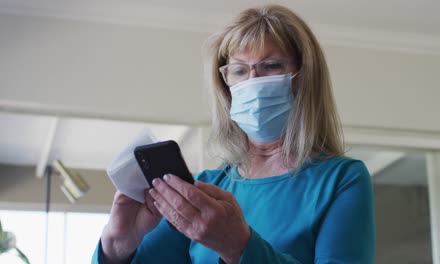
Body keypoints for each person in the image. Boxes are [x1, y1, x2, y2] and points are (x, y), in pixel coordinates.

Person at [93, 4, 375, 264]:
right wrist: (116, 244)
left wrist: (239, 246)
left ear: (303, 77)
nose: (253, 82)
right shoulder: (204, 189)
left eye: (272, 66)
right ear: (225, 84)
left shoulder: (341, 180)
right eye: (239, 70)